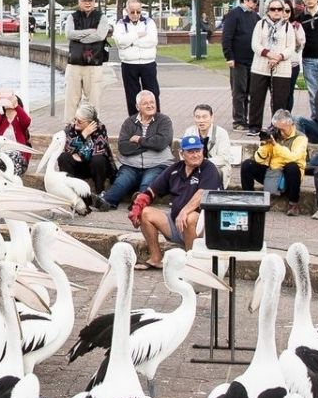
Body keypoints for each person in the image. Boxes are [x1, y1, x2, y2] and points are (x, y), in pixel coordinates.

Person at [132, 134, 221, 269]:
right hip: (175, 223)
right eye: (190, 152)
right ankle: (156, 258)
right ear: (182, 154)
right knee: (145, 213)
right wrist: (138, 205)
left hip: (202, 226)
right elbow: (152, 190)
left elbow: (202, 193)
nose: (195, 155)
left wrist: (184, 212)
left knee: (190, 217)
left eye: (198, 151)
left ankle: (192, 263)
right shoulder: (174, 169)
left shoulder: (209, 168)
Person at [95, 88, 174, 210]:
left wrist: (139, 140)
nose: (150, 105)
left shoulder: (164, 120)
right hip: (131, 165)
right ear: (138, 107)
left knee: (147, 182)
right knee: (121, 182)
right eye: (145, 103)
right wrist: (149, 143)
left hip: (157, 164)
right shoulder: (129, 122)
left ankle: (138, 204)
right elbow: (124, 147)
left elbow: (161, 143)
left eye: (152, 102)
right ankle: (106, 202)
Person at [245, 0, 303, 131]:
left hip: (281, 68)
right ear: (267, 10)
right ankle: (254, 126)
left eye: (279, 9)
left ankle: (277, 126)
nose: (276, 11)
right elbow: (255, 44)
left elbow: (291, 47)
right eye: (273, 9)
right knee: (257, 97)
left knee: (279, 100)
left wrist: (279, 57)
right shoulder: (261, 24)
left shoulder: (288, 27)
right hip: (261, 66)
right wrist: (269, 54)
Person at [241, 109, 309, 215]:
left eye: (282, 129)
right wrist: (265, 144)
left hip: (290, 178)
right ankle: (249, 200)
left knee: (292, 166)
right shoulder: (274, 136)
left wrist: (276, 146)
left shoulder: (300, 138)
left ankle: (293, 204)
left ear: (291, 124)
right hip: (272, 174)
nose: (280, 132)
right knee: (247, 165)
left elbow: (293, 157)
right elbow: (259, 159)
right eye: (277, 128)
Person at [64, 0, 115, 125]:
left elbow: (100, 35)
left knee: (94, 100)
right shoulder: (72, 17)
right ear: (79, 1)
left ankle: (94, 127)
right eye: (84, 0)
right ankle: (69, 126)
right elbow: (69, 34)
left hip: (94, 64)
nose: (87, 3)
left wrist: (80, 37)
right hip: (74, 63)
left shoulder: (101, 17)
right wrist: (89, 32)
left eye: (90, 0)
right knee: (71, 99)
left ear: (94, 2)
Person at [218, 0, 263, 129]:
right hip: (238, 60)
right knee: (239, 91)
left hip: (253, 60)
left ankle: (248, 118)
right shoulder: (234, 15)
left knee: (251, 91)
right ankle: (238, 120)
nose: (255, 4)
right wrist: (229, 56)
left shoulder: (256, 17)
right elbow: (227, 37)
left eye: (256, 2)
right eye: (254, 1)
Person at [112, 0, 160, 117]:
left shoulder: (149, 22)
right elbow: (120, 43)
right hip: (129, 64)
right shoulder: (121, 24)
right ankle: (134, 123)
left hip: (148, 63)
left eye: (138, 11)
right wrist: (138, 35)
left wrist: (131, 42)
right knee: (132, 96)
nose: (135, 14)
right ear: (126, 11)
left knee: (153, 93)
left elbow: (152, 41)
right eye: (132, 11)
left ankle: (155, 122)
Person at [56, 102, 115, 195]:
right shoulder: (71, 127)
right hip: (79, 168)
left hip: (95, 169)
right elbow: (68, 149)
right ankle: (70, 191)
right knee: (63, 157)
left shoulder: (100, 128)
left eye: (79, 121)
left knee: (98, 159)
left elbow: (99, 151)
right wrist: (84, 135)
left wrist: (80, 156)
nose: (75, 122)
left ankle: (100, 193)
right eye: (75, 119)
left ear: (91, 122)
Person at [0, 88, 32, 178]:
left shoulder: (20, 120)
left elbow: (27, 121)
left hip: (18, 159)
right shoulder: (0, 119)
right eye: (6, 100)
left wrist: (16, 105)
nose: (8, 101)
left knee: (13, 157)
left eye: (10, 100)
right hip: (1, 157)